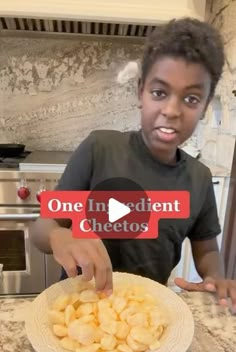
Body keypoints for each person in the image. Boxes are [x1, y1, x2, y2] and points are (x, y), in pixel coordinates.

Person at [31, 17, 236, 313]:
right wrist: (58, 235)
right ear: (140, 92)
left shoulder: (199, 178)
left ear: (204, 107)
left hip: (144, 312)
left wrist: (216, 277)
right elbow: (42, 228)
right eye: (159, 93)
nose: (171, 110)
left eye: (191, 98)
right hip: (80, 308)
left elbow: (207, 249)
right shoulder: (99, 148)